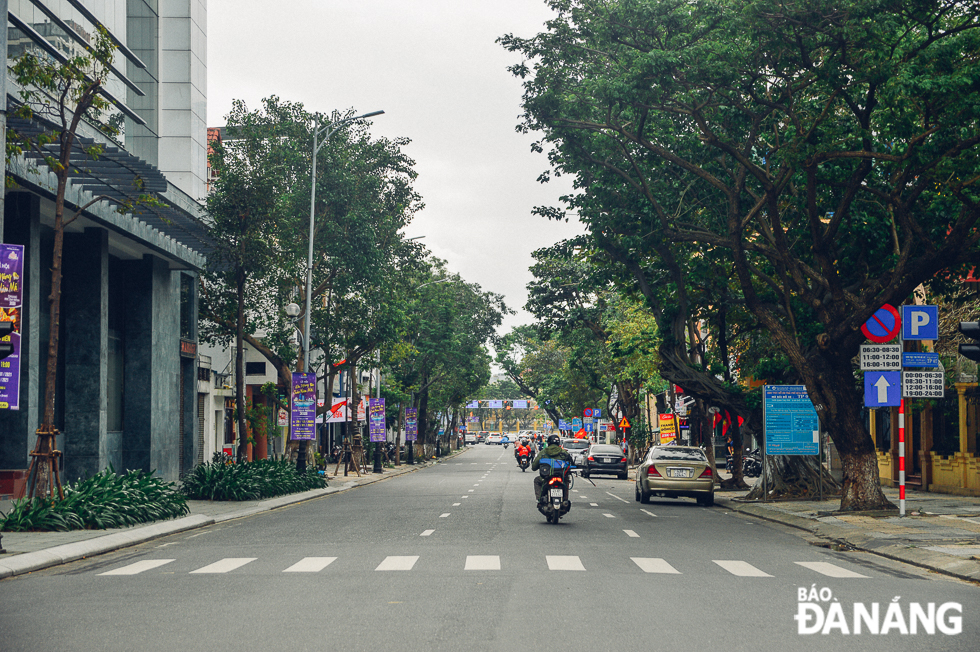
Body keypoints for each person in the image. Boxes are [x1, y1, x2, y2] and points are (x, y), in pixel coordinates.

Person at [531, 434, 573, 506]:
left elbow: (534, 467)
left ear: (548, 443)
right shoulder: (564, 452)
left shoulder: (543, 452)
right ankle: (565, 499)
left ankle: (539, 499)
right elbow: (571, 464)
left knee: (537, 480)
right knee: (566, 480)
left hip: (546, 477)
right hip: (562, 477)